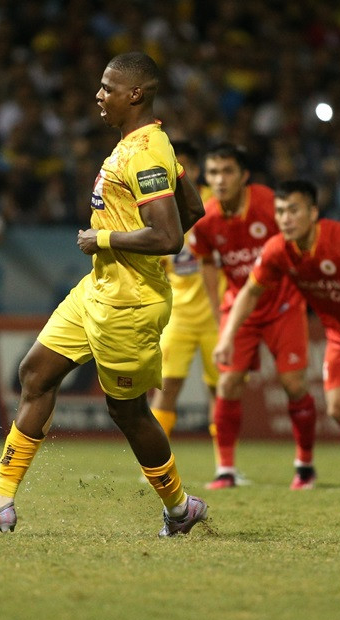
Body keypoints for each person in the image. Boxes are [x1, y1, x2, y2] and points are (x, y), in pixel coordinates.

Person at [0, 52, 209, 538]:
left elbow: (171, 235)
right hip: (97, 290)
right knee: (35, 373)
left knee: (127, 411)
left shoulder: (145, 152)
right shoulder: (143, 145)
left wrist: (103, 238)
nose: (98, 96)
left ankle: (179, 507)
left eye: (108, 87)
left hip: (128, 303)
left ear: (135, 94)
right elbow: (193, 207)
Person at [215, 180, 340, 495]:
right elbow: (250, 292)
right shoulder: (277, 250)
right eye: (280, 212)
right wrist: (227, 336)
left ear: (313, 212)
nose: (286, 219)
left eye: (293, 210)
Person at [190, 143, 318, 490]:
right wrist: (219, 315)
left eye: (227, 171)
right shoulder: (205, 218)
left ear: (244, 175)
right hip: (240, 308)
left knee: (294, 385)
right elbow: (207, 263)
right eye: (213, 172)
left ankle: (305, 465)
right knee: (228, 384)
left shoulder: (268, 204)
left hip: (283, 305)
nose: (219, 179)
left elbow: (298, 241)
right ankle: (225, 470)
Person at [149, 141, 219, 448]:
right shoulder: (157, 209)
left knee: (220, 390)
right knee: (167, 386)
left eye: (182, 166)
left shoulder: (214, 202)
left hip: (218, 311)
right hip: (179, 313)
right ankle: (155, 461)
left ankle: (224, 465)